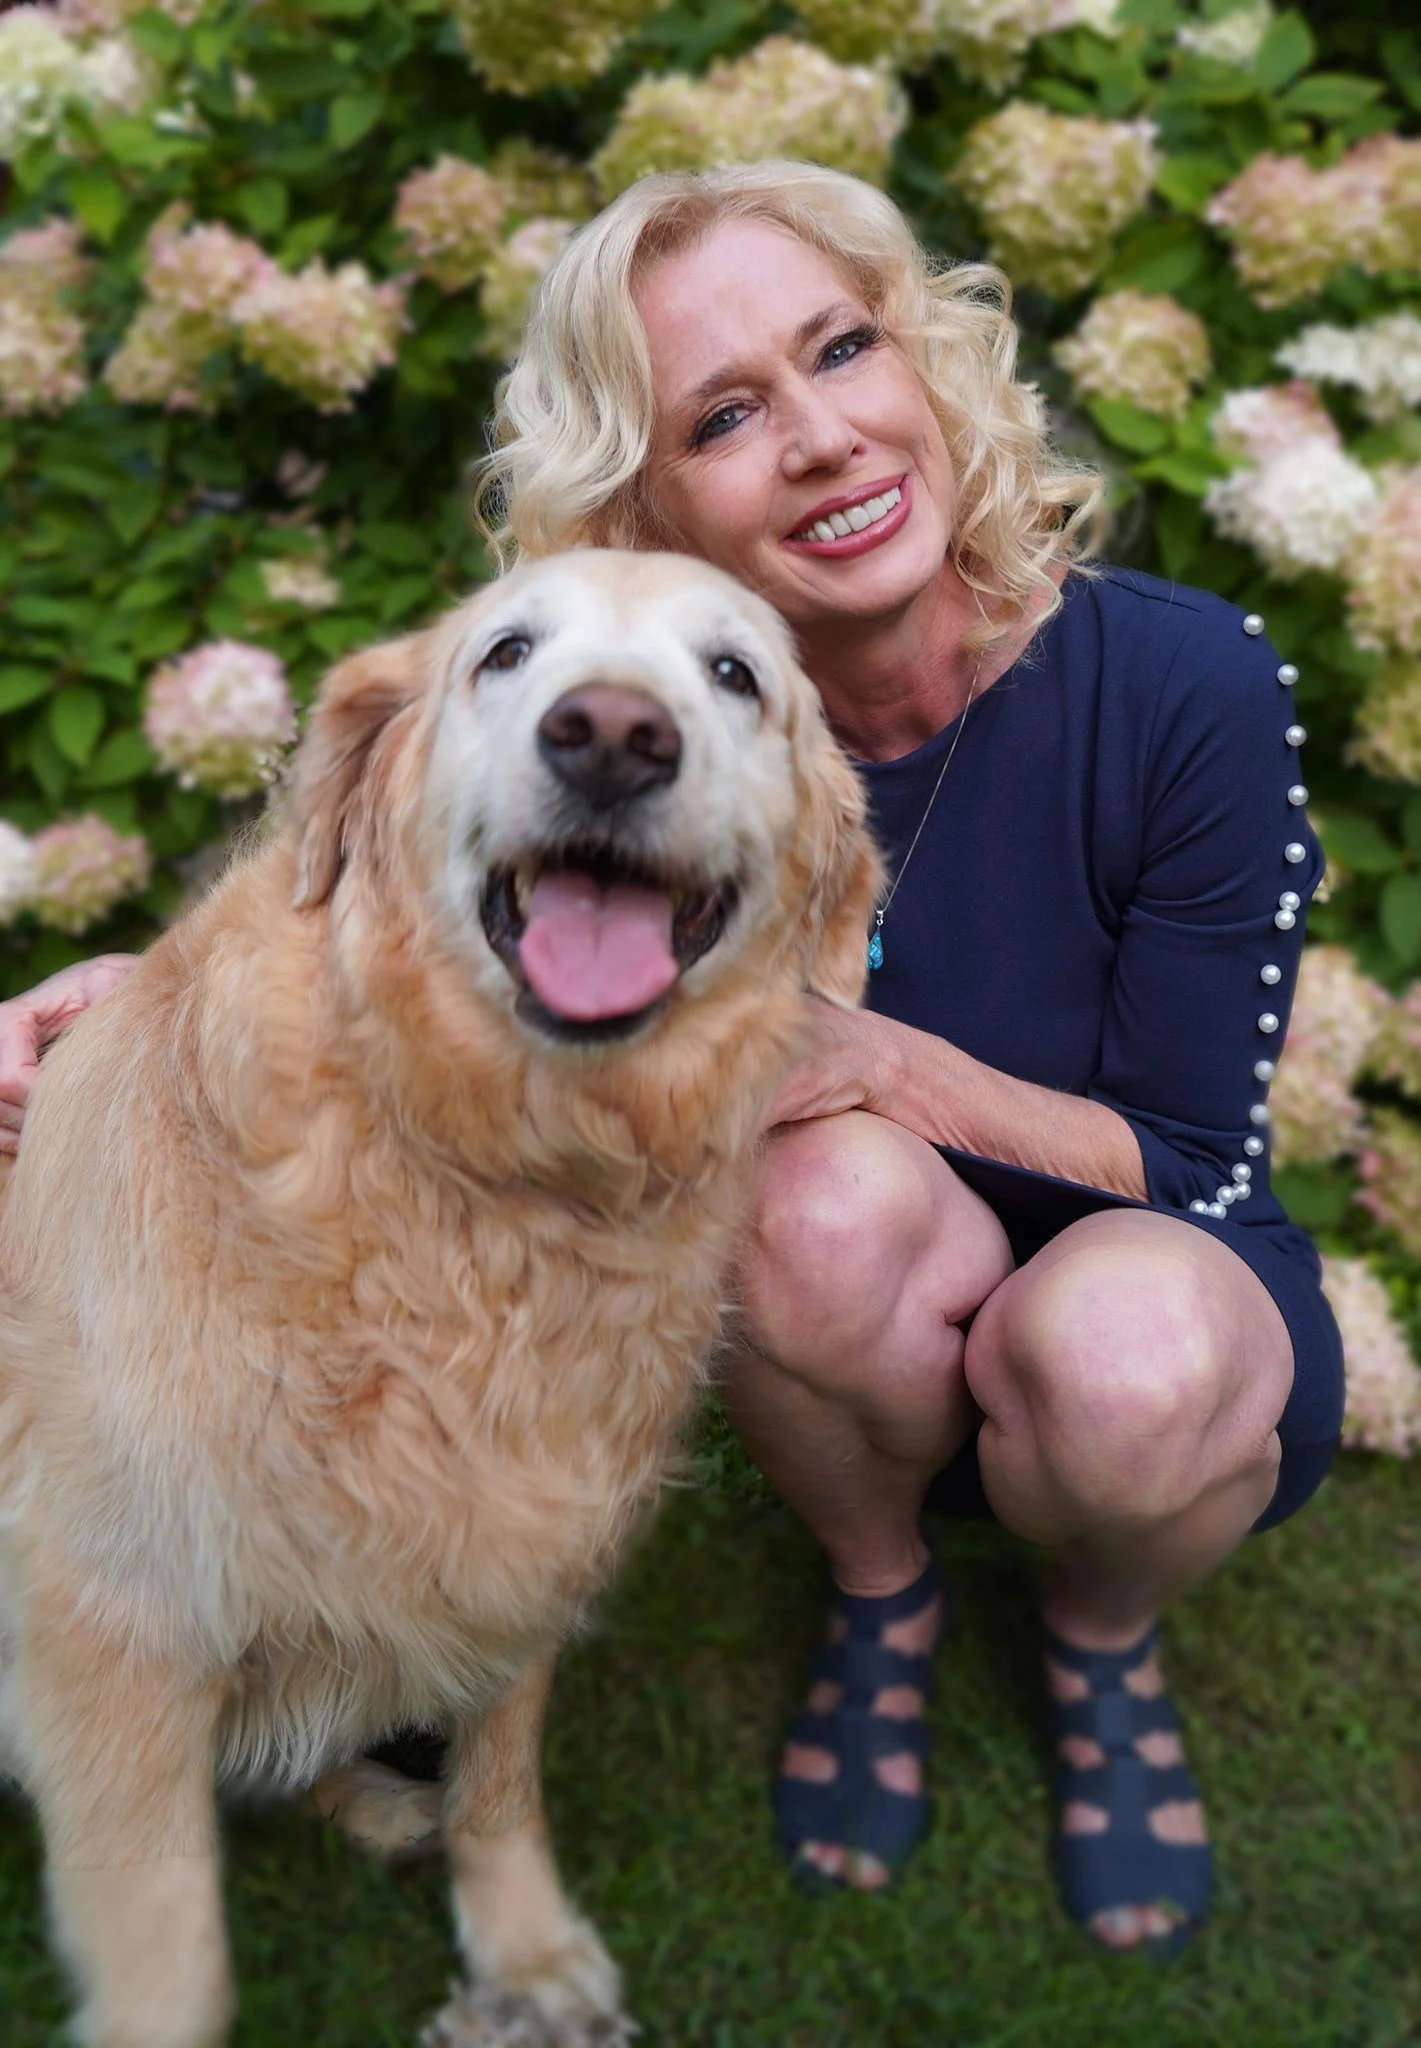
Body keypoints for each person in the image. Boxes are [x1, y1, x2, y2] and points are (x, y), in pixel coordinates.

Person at [0, 160, 1342, 1958]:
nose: (819, 437)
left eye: (843, 349)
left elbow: (1201, 1154)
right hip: (842, 1285)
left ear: (925, 369)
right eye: (725, 413)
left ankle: (1096, 1638)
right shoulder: (614, 731)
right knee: (805, 1197)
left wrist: (889, 1063)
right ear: (647, 504)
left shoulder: (1187, 687)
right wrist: (120, 1005)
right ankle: (883, 1593)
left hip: (1149, 1261)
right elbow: (374, 939)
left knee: (1113, 1352)